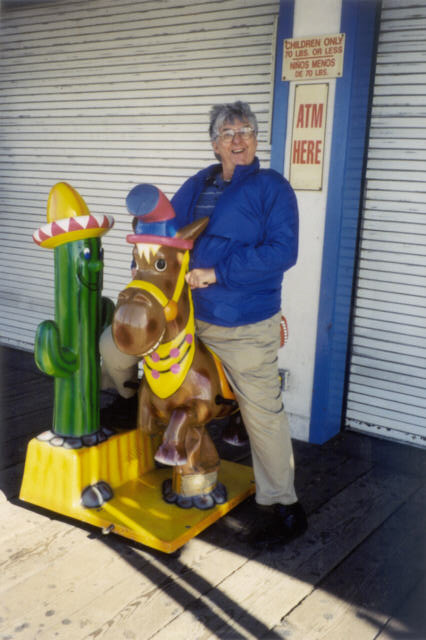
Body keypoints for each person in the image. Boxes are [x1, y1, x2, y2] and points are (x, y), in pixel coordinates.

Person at [100, 101, 307, 549]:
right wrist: (145, 261)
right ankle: (129, 398)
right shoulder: (199, 182)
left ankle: (283, 504)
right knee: (114, 347)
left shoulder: (272, 188)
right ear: (215, 144)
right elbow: (165, 233)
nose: (238, 139)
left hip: (241, 320)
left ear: (256, 139)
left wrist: (217, 272)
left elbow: (282, 251)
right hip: (187, 315)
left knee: (262, 410)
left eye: (245, 130)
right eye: (228, 133)